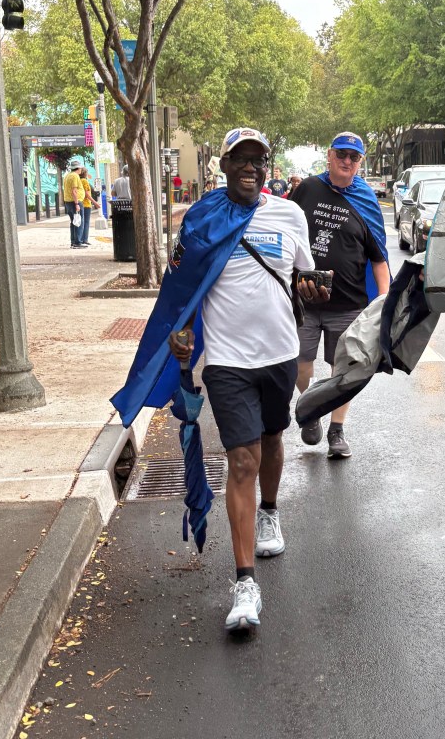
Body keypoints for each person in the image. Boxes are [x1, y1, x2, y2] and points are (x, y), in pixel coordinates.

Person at [166, 127, 329, 632]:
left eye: (259, 160)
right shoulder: (202, 218)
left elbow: (305, 276)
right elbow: (182, 285)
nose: (251, 168)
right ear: (224, 165)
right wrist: (181, 331)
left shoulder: (289, 214)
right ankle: (244, 583)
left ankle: (269, 510)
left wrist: (314, 289)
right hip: (227, 361)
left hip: (280, 354)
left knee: (272, 440)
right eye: (241, 159)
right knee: (242, 459)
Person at [290, 132, 390, 458]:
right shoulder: (307, 189)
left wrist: (384, 303)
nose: (347, 161)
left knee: (343, 371)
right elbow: (285, 231)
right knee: (300, 364)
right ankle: (312, 407)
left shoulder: (366, 200)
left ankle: (337, 429)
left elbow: (379, 258)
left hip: (348, 303)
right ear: (330, 156)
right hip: (304, 299)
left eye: (354, 157)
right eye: (342, 154)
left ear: (360, 162)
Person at [63, 162, 86, 249]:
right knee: (79, 222)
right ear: (78, 168)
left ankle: (73, 242)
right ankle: (78, 242)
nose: (81, 170)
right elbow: (74, 191)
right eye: (80, 168)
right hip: (75, 202)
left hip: (68, 201)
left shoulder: (67, 175)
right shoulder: (75, 176)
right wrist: (77, 204)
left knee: (74, 222)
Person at [77, 167, 101, 246]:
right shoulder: (85, 181)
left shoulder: (78, 181)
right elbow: (87, 194)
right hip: (86, 204)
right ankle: (85, 239)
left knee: (81, 222)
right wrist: (95, 203)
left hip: (80, 202)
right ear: (85, 173)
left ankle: (80, 239)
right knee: (86, 222)